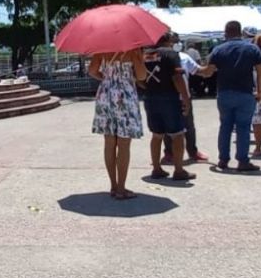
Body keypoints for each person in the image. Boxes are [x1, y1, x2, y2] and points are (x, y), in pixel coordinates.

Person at [206, 21, 261, 172]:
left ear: (226, 32)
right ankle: (243, 161)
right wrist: (260, 91)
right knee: (243, 127)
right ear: (240, 32)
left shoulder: (218, 50)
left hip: (224, 93)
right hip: (245, 93)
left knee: (225, 126)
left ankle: (223, 160)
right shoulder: (252, 48)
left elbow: (209, 71)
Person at [89, 48, 147, 199]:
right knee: (124, 144)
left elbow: (92, 71)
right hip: (125, 96)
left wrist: (107, 78)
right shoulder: (133, 50)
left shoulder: (101, 49)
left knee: (109, 143)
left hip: (106, 94)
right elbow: (142, 75)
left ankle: (113, 186)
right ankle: (121, 188)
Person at [143, 33, 196, 181]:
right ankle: (179, 170)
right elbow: (177, 77)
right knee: (177, 134)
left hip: (151, 98)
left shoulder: (146, 56)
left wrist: (148, 88)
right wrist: (185, 97)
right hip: (170, 98)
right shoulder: (171, 54)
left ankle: (156, 168)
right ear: (168, 41)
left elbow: (139, 78)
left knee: (157, 134)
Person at [164, 33, 209, 165]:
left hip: (183, 97)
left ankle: (192, 151)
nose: (176, 43)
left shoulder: (185, 57)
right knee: (168, 127)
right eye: (173, 41)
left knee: (189, 126)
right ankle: (169, 153)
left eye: (177, 41)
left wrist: (211, 67)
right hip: (169, 97)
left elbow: (199, 70)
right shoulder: (162, 57)